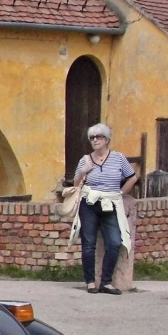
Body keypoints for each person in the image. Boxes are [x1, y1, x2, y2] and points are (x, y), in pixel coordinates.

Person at [72, 123, 138, 295]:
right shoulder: (85, 160)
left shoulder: (118, 158)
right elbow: (75, 184)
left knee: (115, 242)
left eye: (98, 137)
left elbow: (132, 177)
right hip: (89, 203)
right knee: (88, 244)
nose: (95, 140)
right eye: (92, 138)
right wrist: (83, 172)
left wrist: (121, 193)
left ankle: (106, 282)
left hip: (110, 203)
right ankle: (90, 282)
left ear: (107, 139)